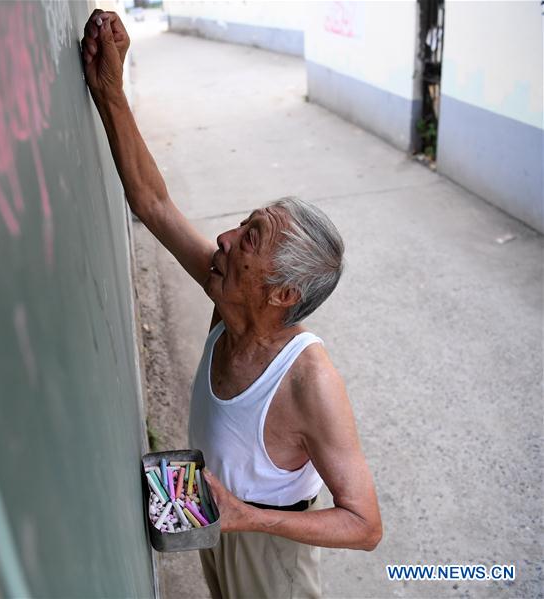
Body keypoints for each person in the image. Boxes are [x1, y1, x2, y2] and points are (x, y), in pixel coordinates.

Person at [81, 10, 383, 599]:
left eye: (249, 239)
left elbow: (365, 524)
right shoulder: (229, 298)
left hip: (270, 550)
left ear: (283, 294)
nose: (222, 240)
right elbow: (153, 204)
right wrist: (109, 91)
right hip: (216, 517)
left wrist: (245, 518)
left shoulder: (309, 380)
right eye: (242, 226)